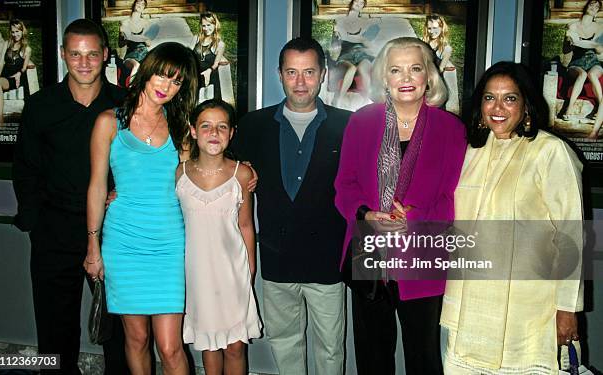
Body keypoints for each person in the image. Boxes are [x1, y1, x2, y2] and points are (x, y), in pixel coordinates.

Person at [334, 37, 467, 374]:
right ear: (384, 77)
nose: (406, 78)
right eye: (396, 70)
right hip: (369, 253)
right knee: (372, 354)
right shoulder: (362, 121)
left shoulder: (450, 129)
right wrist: (366, 215)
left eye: (415, 69)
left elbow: (456, 196)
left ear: (429, 78)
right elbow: (343, 186)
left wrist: (416, 219)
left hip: (422, 254)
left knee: (422, 356)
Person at [440, 61, 583, 373]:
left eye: (510, 98)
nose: (498, 108)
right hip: (468, 306)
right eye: (490, 98)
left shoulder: (550, 152)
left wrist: (567, 309)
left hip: (527, 309)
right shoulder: (469, 151)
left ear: (526, 105)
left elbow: (572, 237)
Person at [12, 19, 129, 375]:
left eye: (91, 54)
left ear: (105, 56)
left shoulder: (125, 105)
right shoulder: (41, 105)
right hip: (54, 228)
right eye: (75, 54)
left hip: (113, 230)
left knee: (120, 327)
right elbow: (25, 168)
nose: (83, 62)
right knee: (53, 326)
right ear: (63, 55)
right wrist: (35, 221)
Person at [231, 37, 350, 375]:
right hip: (277, 256)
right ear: (279, 75)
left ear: (323, 74)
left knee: (330, 348)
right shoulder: (253, 125)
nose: (300, 82)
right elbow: (219, 170)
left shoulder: (348, 125)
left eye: (309, 72)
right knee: (284, 342)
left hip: (328, 260)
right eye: (292, 72)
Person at [85, 41, 198, 375]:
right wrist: (93, 245)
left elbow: (199, 177)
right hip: (123, 243)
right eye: (163, 76)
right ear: (147, 72)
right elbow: (96, 186)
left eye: (176, 81)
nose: (167, 86)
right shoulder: (109, 122)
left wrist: (241, 170)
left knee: (170, 346)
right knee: (135, 340)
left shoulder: (182, 129)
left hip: (169, 245)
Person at [178, 99, 262, 375]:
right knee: (209, 344)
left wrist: (249, 270)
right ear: (193, 130)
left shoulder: (242, 174)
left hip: (232, 272)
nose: (214, 133)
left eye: (221, 127)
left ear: (231, 133)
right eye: (205, 126)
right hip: (197, 273)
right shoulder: (179, 173)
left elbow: (246, 225)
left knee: (235, 346)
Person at [557, 0, 603, 138]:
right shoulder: (573, 25)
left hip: (594, 61)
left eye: (597, 7)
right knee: (582, 75)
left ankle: (600, 106)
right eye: (592, 5)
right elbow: (567, 48)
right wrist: (573, 41)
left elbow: (598, 48)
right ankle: (568, 110)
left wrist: (579, 42)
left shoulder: (599, 27)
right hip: (577, 62)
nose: (594, 8)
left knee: (593, 75)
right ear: (586, 7)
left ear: (597, 12)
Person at [330, 0, 377, 108]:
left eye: (362, 3)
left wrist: (362, 40)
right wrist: (359, 38)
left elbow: (367, 41)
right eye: (357, 1)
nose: (359, 4)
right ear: (352, 2)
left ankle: (367, 101)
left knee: (364, 69)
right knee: (351, 69)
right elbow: (341, 38)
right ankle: (339, 99)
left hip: (361, 53)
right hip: (346, 53)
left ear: (363, 6)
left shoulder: (365, 21)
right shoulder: (340, 20)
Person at [0, 19, 32, 125]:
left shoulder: (26, 49)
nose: (15, 34)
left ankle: (0, 118)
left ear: (22, 31)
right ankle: (0, 116)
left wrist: (19, 74)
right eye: (13, 32)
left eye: (17, 31)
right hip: (5, 77)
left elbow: (24, 68)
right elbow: (1, 63)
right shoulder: (7, 44)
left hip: (14, 79)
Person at [423, 14, 460, 114]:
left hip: (440, 78)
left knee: (439, 104)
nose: (431, 31)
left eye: (435, 28)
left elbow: (440, 69)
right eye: (429, 28)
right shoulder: (425, 43)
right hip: (428, 76)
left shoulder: (446, 48)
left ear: (441, 28)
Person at [193, 12, 227, 101]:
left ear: (215, 24)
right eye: (204, 26)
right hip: (196, 76)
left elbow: (215, 64)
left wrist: (209, 71)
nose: (206, 28)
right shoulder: (197, 38)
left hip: (210, 78)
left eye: (209, 25)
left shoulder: (220, 44)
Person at [120, 0, 153, 79]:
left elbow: (148, 43)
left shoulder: (145, 23)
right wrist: (124, 37)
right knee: (136, 66)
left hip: (144, 53)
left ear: (143, 9)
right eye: (138, 2)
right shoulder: (125, 23)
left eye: (143, 4)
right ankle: (131, 88)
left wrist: (144, 39)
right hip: (131, 54)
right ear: (134, 5)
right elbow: (120, 44)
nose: (140, 5)